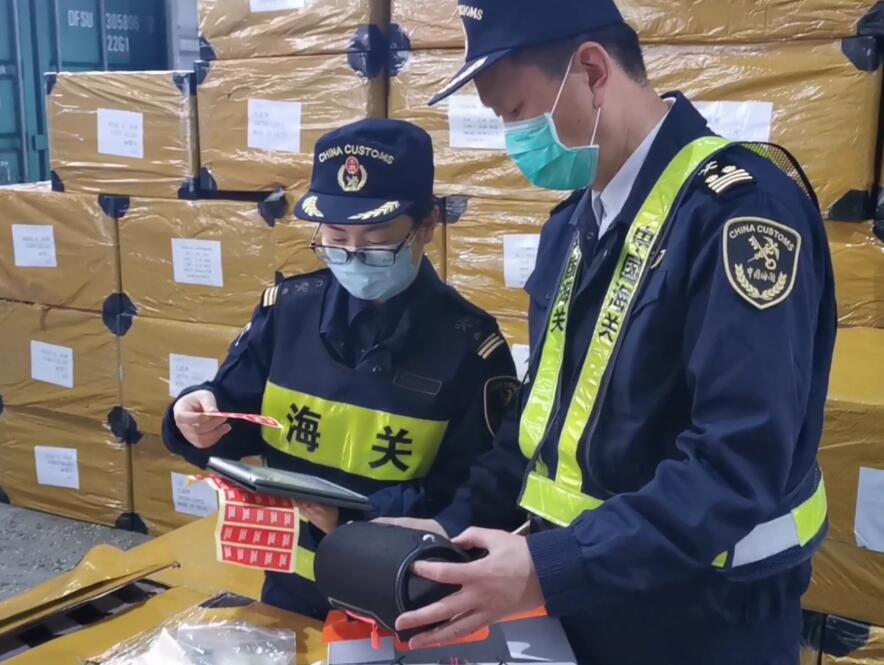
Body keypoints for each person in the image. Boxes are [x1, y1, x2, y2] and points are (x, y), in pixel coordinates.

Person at [381, 2, 837, 663]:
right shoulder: (574, 224)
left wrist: (548, 568)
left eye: (517, 112)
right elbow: (539, 421)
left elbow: (736, 464)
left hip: (707, 616)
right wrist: (450, 527)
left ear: (593, 71)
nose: (513, 141)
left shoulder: (739, 214)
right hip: (590, 596)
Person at [163, 119, 518, 620]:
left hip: (402, 594)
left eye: (376, 238)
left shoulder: (470, 346)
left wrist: (356, 518)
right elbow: (231, 415)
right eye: (335, 236)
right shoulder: (288, 310)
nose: (352, 255)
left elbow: (479, 493)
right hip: (292, 591)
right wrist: (192, 418)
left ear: (427, 224)